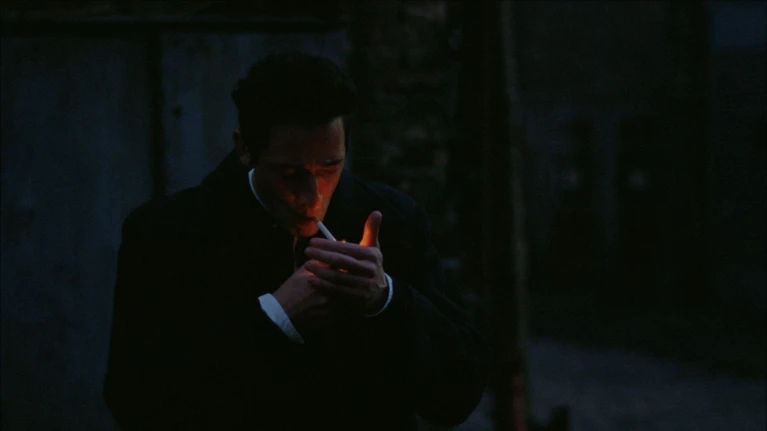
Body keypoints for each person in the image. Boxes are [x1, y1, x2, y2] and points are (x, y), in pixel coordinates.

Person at [103, 52, 488, 430]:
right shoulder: (168, 234)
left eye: (330, 167)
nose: (312, 197)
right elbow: (138, 405)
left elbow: (457, 394)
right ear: (244, 148)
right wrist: (274, 318)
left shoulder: (394, 221)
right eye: (290, 173)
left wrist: (386, 300)